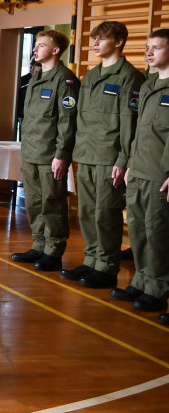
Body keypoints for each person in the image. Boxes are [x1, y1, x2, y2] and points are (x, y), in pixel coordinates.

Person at [62, 20, 144, 289]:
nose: (95, 43)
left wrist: (123, 159)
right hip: (86, 154)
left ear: (118, 42)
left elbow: (130, 124)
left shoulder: (129, 76)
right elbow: (81, 119)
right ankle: (92, 259)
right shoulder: (93, 76)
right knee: (86, 212)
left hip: (110, 157)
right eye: (94, 38)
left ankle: (107, 266)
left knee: (106, 214)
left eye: (101, 38)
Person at [10, 31, 79, 271]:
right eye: (35, 45)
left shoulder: (65, 80)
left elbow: (68, 122)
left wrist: (62, 154)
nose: (35, 50)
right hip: (31, 152)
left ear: (56, 50)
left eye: (41, 45)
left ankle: (54, 250)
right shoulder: (35, 78)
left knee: (53, 202)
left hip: (51, 154)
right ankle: (39, 244)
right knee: (33, 202)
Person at [115, 29, 169, 314]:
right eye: (148, 47)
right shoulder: (148, 85)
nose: (149, 52)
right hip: (138, 169)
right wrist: (129, 164)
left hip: (160, 174)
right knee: (137, 229)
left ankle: (158, 288)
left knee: (158, 232)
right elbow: (138, 132)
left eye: (156, 48)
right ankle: (141, 280)